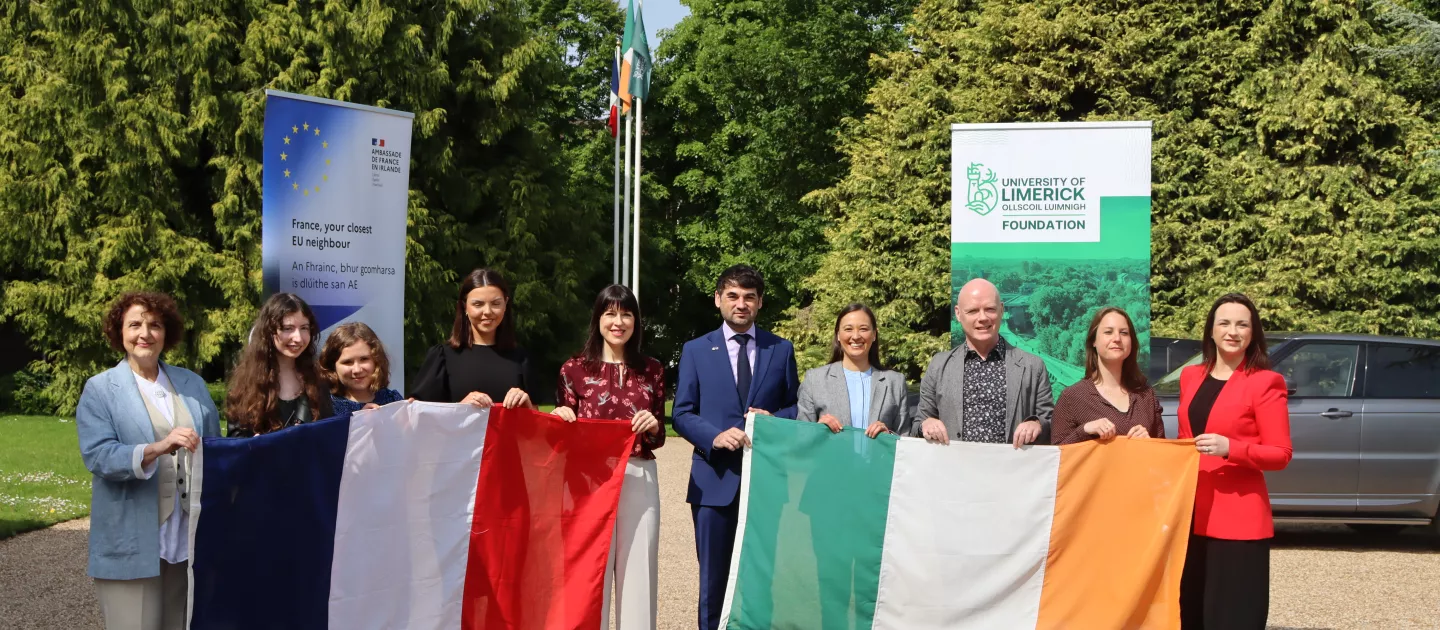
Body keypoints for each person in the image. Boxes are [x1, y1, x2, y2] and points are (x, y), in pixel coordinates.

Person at [75, 292, 222, 630]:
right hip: (132, 536)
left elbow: (215, 447)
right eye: (135, 324)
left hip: (186, 538)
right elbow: (99, 455)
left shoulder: (192, 383)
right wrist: (157, 448)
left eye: (155, 325)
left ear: (166, 333)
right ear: (119, 332)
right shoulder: (100, 389)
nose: (145, 333)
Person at [672, 264, 799, 630]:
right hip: (713, 481)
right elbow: (681, 412)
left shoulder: (781, 349)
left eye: (748, 297)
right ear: (718, 300)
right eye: (732, 296)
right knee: (713, 581)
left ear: (759, 303)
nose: (740, 304)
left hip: (765, 483)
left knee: (763, 577)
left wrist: (774, 417)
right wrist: (713, 436)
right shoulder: (696, 350)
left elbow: (796, 407)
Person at [553, 285, 665, 630]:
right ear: (598, 318)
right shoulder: (574, 370)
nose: (619, 322)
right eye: (610, 313)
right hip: (588, 481)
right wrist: (560, 417)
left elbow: (658, 436)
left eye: (626, 314)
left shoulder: (652, 369)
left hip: (638, 474)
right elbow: (561, 434)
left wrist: (651, 424)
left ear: (636, 320)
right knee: (590, 571)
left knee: (638, 570)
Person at [1178, 293, 1292, 630]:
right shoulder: (1191, 377)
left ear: (1253, 333)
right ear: (1210, 332)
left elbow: (1281, 454)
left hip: (1238, 522)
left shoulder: (1266, 382)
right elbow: (1188, 442)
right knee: (1191, 613)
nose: (1233, 331)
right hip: (1192, 514)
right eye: (1224, 323)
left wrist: (1233, 448)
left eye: (1242, 324)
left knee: (1231, 618)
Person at [912, 278, 1054, 447]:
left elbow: (1052, 423)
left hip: (1012, 471)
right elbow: (917, 425)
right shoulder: (939, 365)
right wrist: (925, 425)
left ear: (1001, 309)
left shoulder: (1033, 366)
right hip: (955, 470)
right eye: (972, 311)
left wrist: (1037, 425)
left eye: (990, 309)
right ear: (958, 313)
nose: (983, 318)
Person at [409, 268, 535, 411]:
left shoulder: (521, 358)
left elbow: (537, 426)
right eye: (478, 304)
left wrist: (527, 406)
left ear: (505, 304)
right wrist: (460, 407)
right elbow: (418, 416)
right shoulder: (443, 356)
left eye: (495, 303)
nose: (487, 312)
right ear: (464, 307)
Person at [225, 293, 334, 437]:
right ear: (269, 332)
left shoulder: (318, 380)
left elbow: (330, 434)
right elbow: (234, 445)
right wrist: (251, 447)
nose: (298, 338)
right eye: (288, 328)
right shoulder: (245, 386)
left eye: (304, 328)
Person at [1052, 307, 1165, 444]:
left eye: (1124, 333)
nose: (1117, 338)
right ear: (1093, 341)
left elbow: (1161, 452)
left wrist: (1149, 444)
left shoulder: (1146, 395)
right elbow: (1057, 457)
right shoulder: (1071, 398)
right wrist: (1084, 431)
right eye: (1108, 332)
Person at [796, 303, 907, 437]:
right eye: (848, 329)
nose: (856, 336)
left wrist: (888, 435)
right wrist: (818, 430)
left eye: (864, 329)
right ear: (838, 335)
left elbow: (905, 437)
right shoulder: (815, 380)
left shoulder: (895, 382)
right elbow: (801, 437)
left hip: (879, 457)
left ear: (874, 335)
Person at [319, 322, 403, 417]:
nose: (357, 370)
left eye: (364, 359)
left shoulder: (393, 401)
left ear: (376, 360)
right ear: (332, 366)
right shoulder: (324, 407)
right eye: (347, 362)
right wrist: (358, 421)